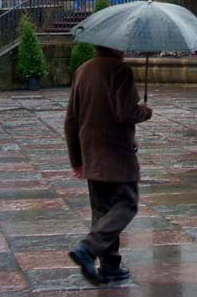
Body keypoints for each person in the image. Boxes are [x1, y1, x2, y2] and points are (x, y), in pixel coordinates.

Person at [65, 45, 153, 286]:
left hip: (91, 153)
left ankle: (110, 267)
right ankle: (88, 248)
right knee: (126, 204)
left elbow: (71, 119)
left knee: (102, 210)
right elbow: (126, 112)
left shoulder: (82, 70)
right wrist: (144, 111)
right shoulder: (120, 70)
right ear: (115, 46)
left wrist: (76, 159)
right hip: (116, 154)